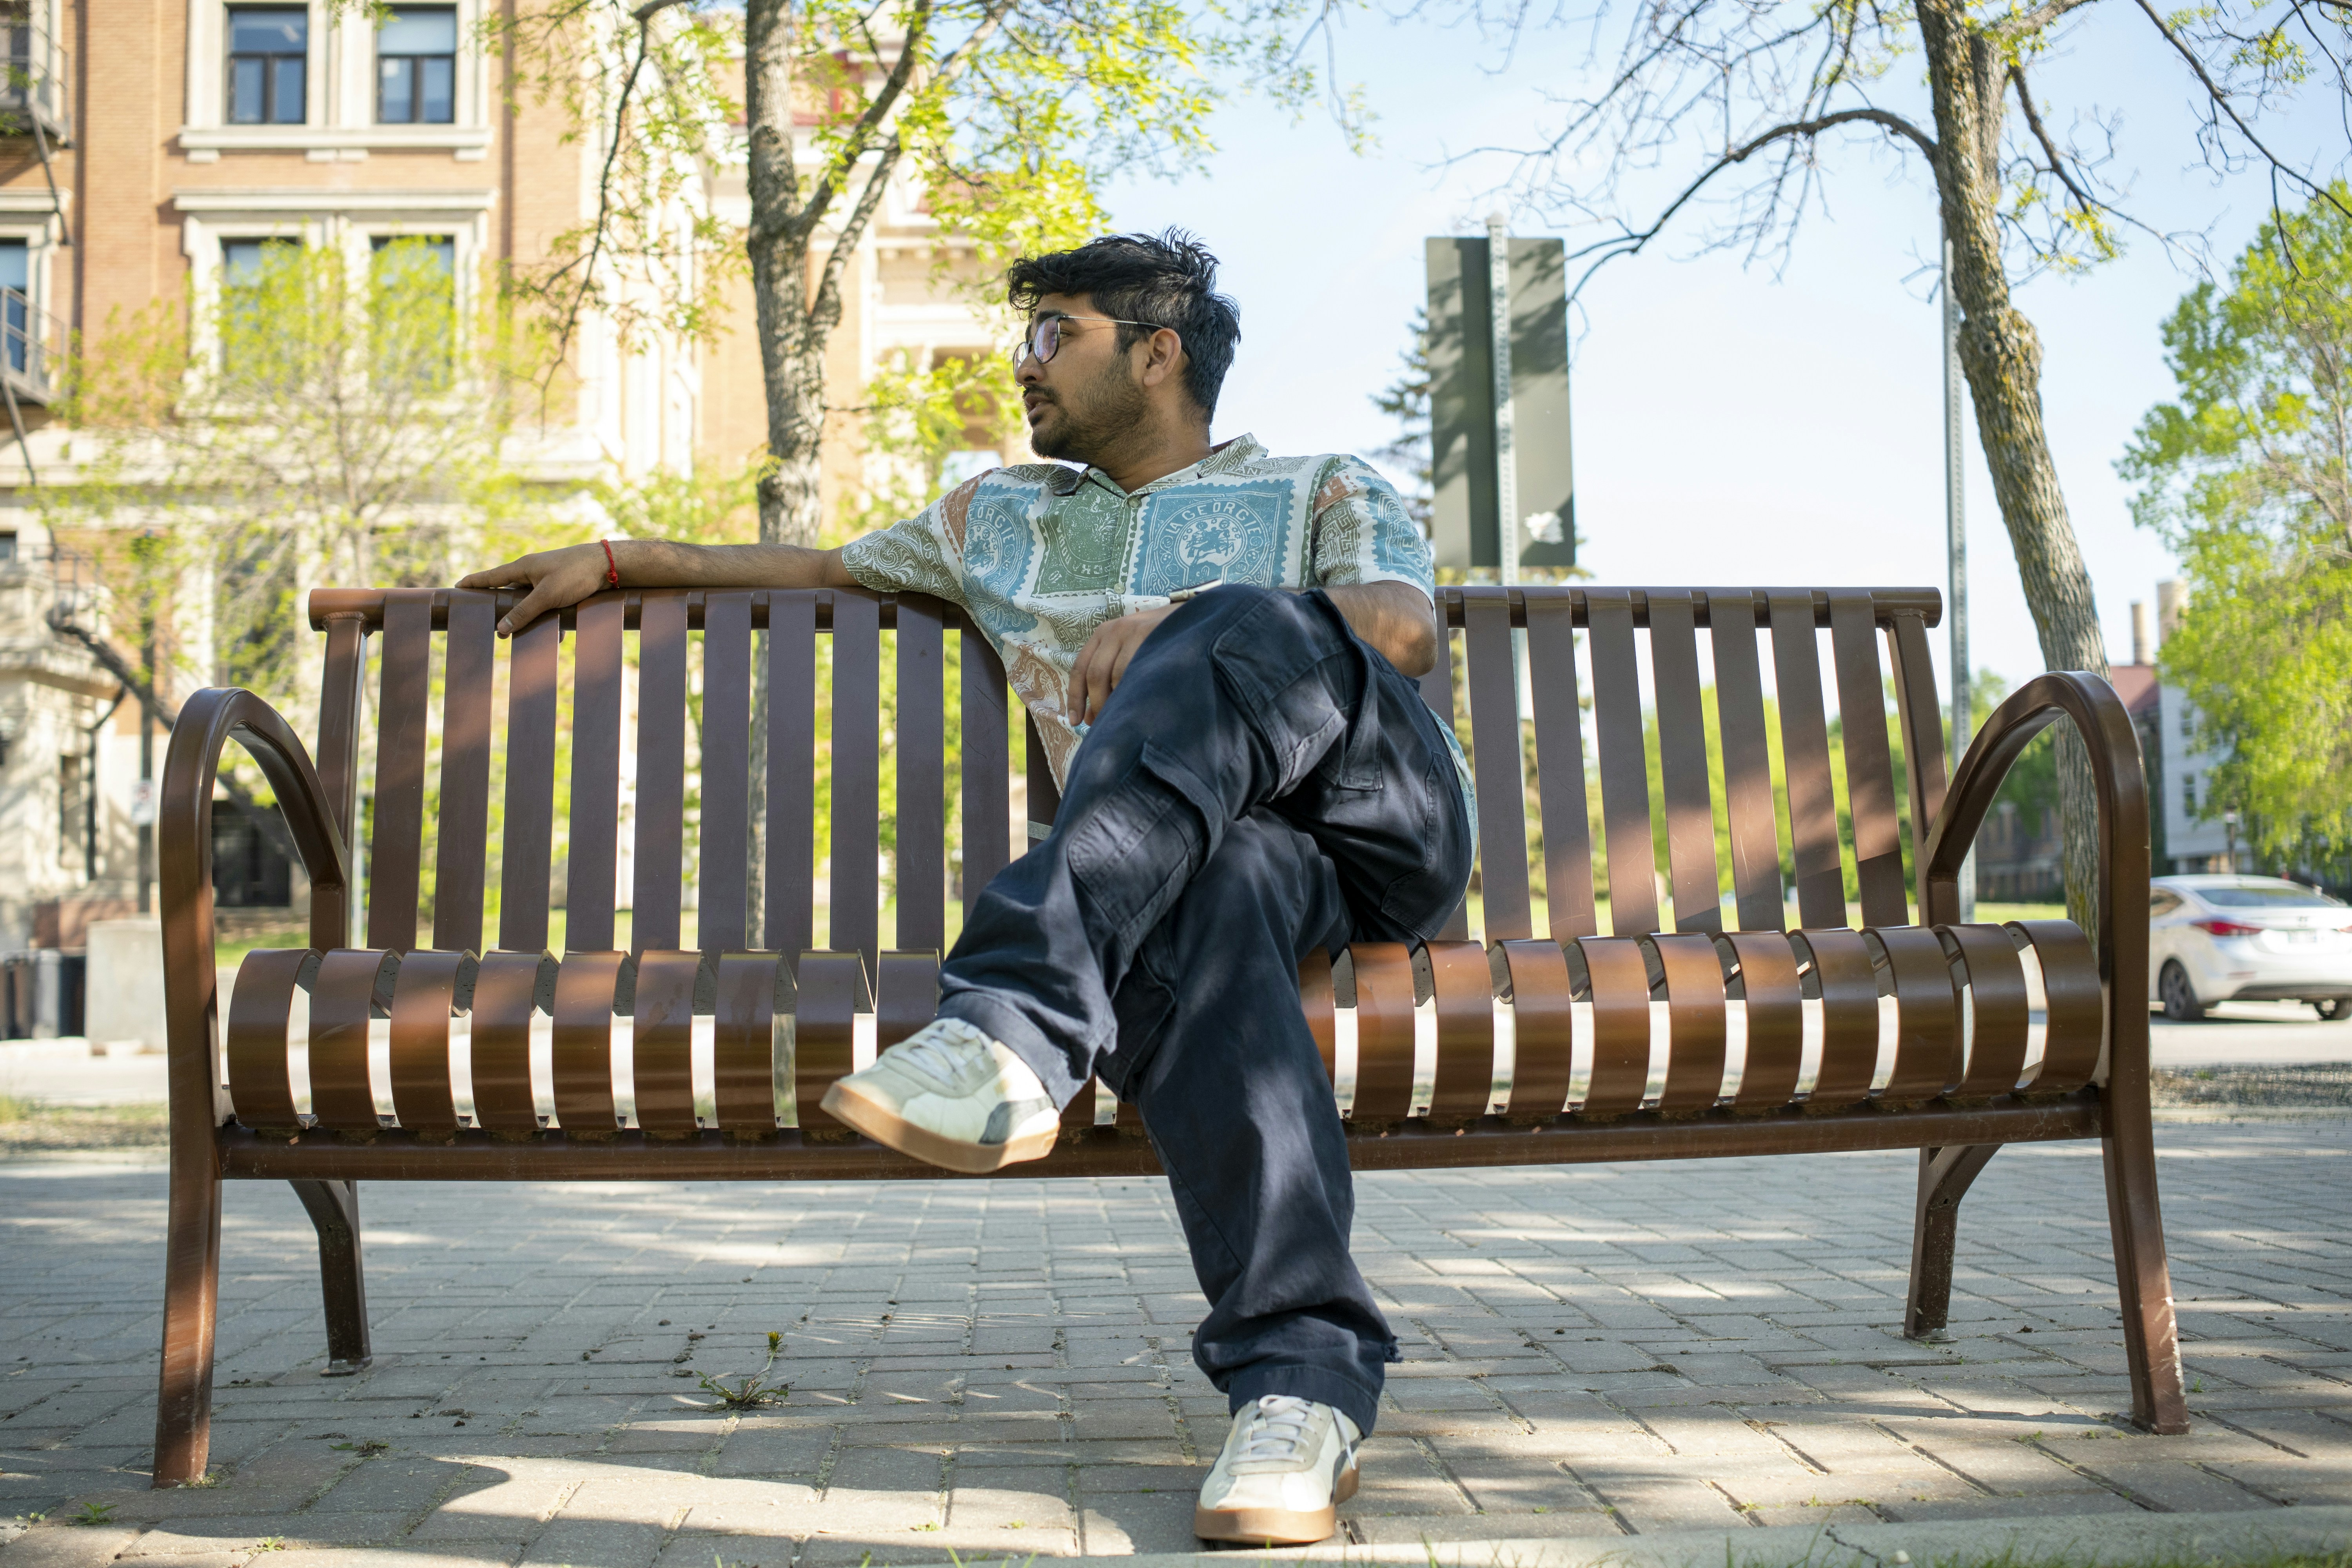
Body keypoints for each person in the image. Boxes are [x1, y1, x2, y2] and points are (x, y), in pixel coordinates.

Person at [459, 230, 1475, 1545]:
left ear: (1158, 353)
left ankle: (1008, 1027)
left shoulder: (1317, 483)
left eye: (1056, 333)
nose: (1026, 363)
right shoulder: (999, 518)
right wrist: (610, 561)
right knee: (1213, 893)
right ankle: (1302, 1392)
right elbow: (819, 571)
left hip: (1371, 821)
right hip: (1192, 874)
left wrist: (1189, 617)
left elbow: (1401, 632)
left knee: (1253, 619)